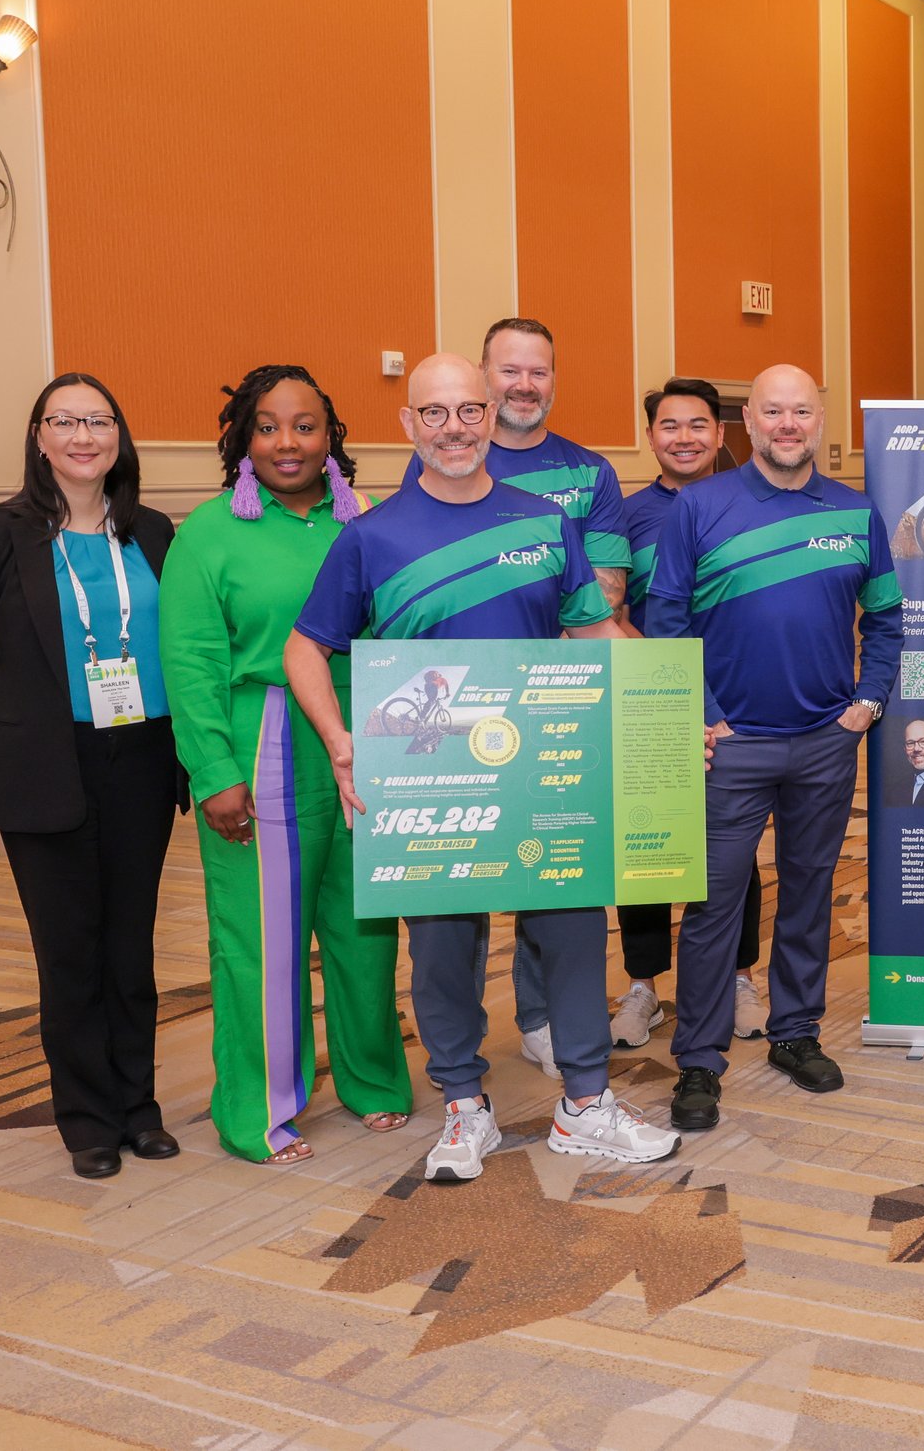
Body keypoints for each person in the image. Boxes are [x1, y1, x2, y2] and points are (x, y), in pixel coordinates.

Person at [285, 352, 676, 1182]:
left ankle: (585, 1104)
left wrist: (674, 712)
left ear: (491, 418)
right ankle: (464, 1106)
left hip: (545, 772)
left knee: (572, 930)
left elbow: (594, 635)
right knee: (440, 950)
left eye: (469, 410)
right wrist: (339, 738)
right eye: (435, 413)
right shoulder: (370, 538)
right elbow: (304, 647)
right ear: (409, 425)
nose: (454, 427)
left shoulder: (544, 520)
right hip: (430, 777)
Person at [157, 365, 412, 1166]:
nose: (287, 442)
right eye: (267, 426)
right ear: (241, 438)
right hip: (261, 736)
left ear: (332, 434)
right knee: (261, 937)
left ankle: (373, 1079)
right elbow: (191, 661)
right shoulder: (208, 533)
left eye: (305, 425)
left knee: (366, 924)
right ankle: (259, 1109)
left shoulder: (366, 521)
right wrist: (213, 773)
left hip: (367, 725)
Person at [644, 364, 904, 1133]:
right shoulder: (698, 507)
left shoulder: (856, 511)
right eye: (772, 411)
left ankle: (795, 1032)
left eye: (801, 411)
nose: (787, 424)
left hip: (825, 742)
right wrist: (702, 712)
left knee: (809, 894)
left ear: (820, 422)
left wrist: (868, 701)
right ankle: (698, 1057)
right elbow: (665, 621)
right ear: (747, 424)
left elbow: (887, 621)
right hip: (730, 747)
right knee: (714, 906)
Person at [0, 376, 188, 1181]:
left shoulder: (153, 532)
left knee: (130, 946)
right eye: (66, 421)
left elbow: (184, 644)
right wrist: (20, 732)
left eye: (99, 420)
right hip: (45, 762)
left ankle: (139, 1108)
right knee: (68, 951)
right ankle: (86, 1117)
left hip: (142, 758)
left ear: (119, 433)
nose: (84, 435)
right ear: (39, 436)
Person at [404, 318, 634, 1082]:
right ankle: (460, 1078)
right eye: (508, 371)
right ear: (481, 380)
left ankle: (552, 1036)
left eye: (540, 371)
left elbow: (597, 607)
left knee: (554, 886)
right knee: (447, 917)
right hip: (447, 736)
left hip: (553, 717)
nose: (523, 385)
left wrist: (664, 708)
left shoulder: (584, 476)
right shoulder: (422, 477)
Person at [610, 377, 767, 1052]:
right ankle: (644, 983)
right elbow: (610, 612)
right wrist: (669, 685)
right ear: (651, 437)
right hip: (650, 703)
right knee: (643, 843)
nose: (684, 437)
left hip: (736, 701)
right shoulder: (625, 515)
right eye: (668, 425)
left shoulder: (752, 504)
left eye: (697, 424)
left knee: (733, 844)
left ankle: (739, 974)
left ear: (721, 434)